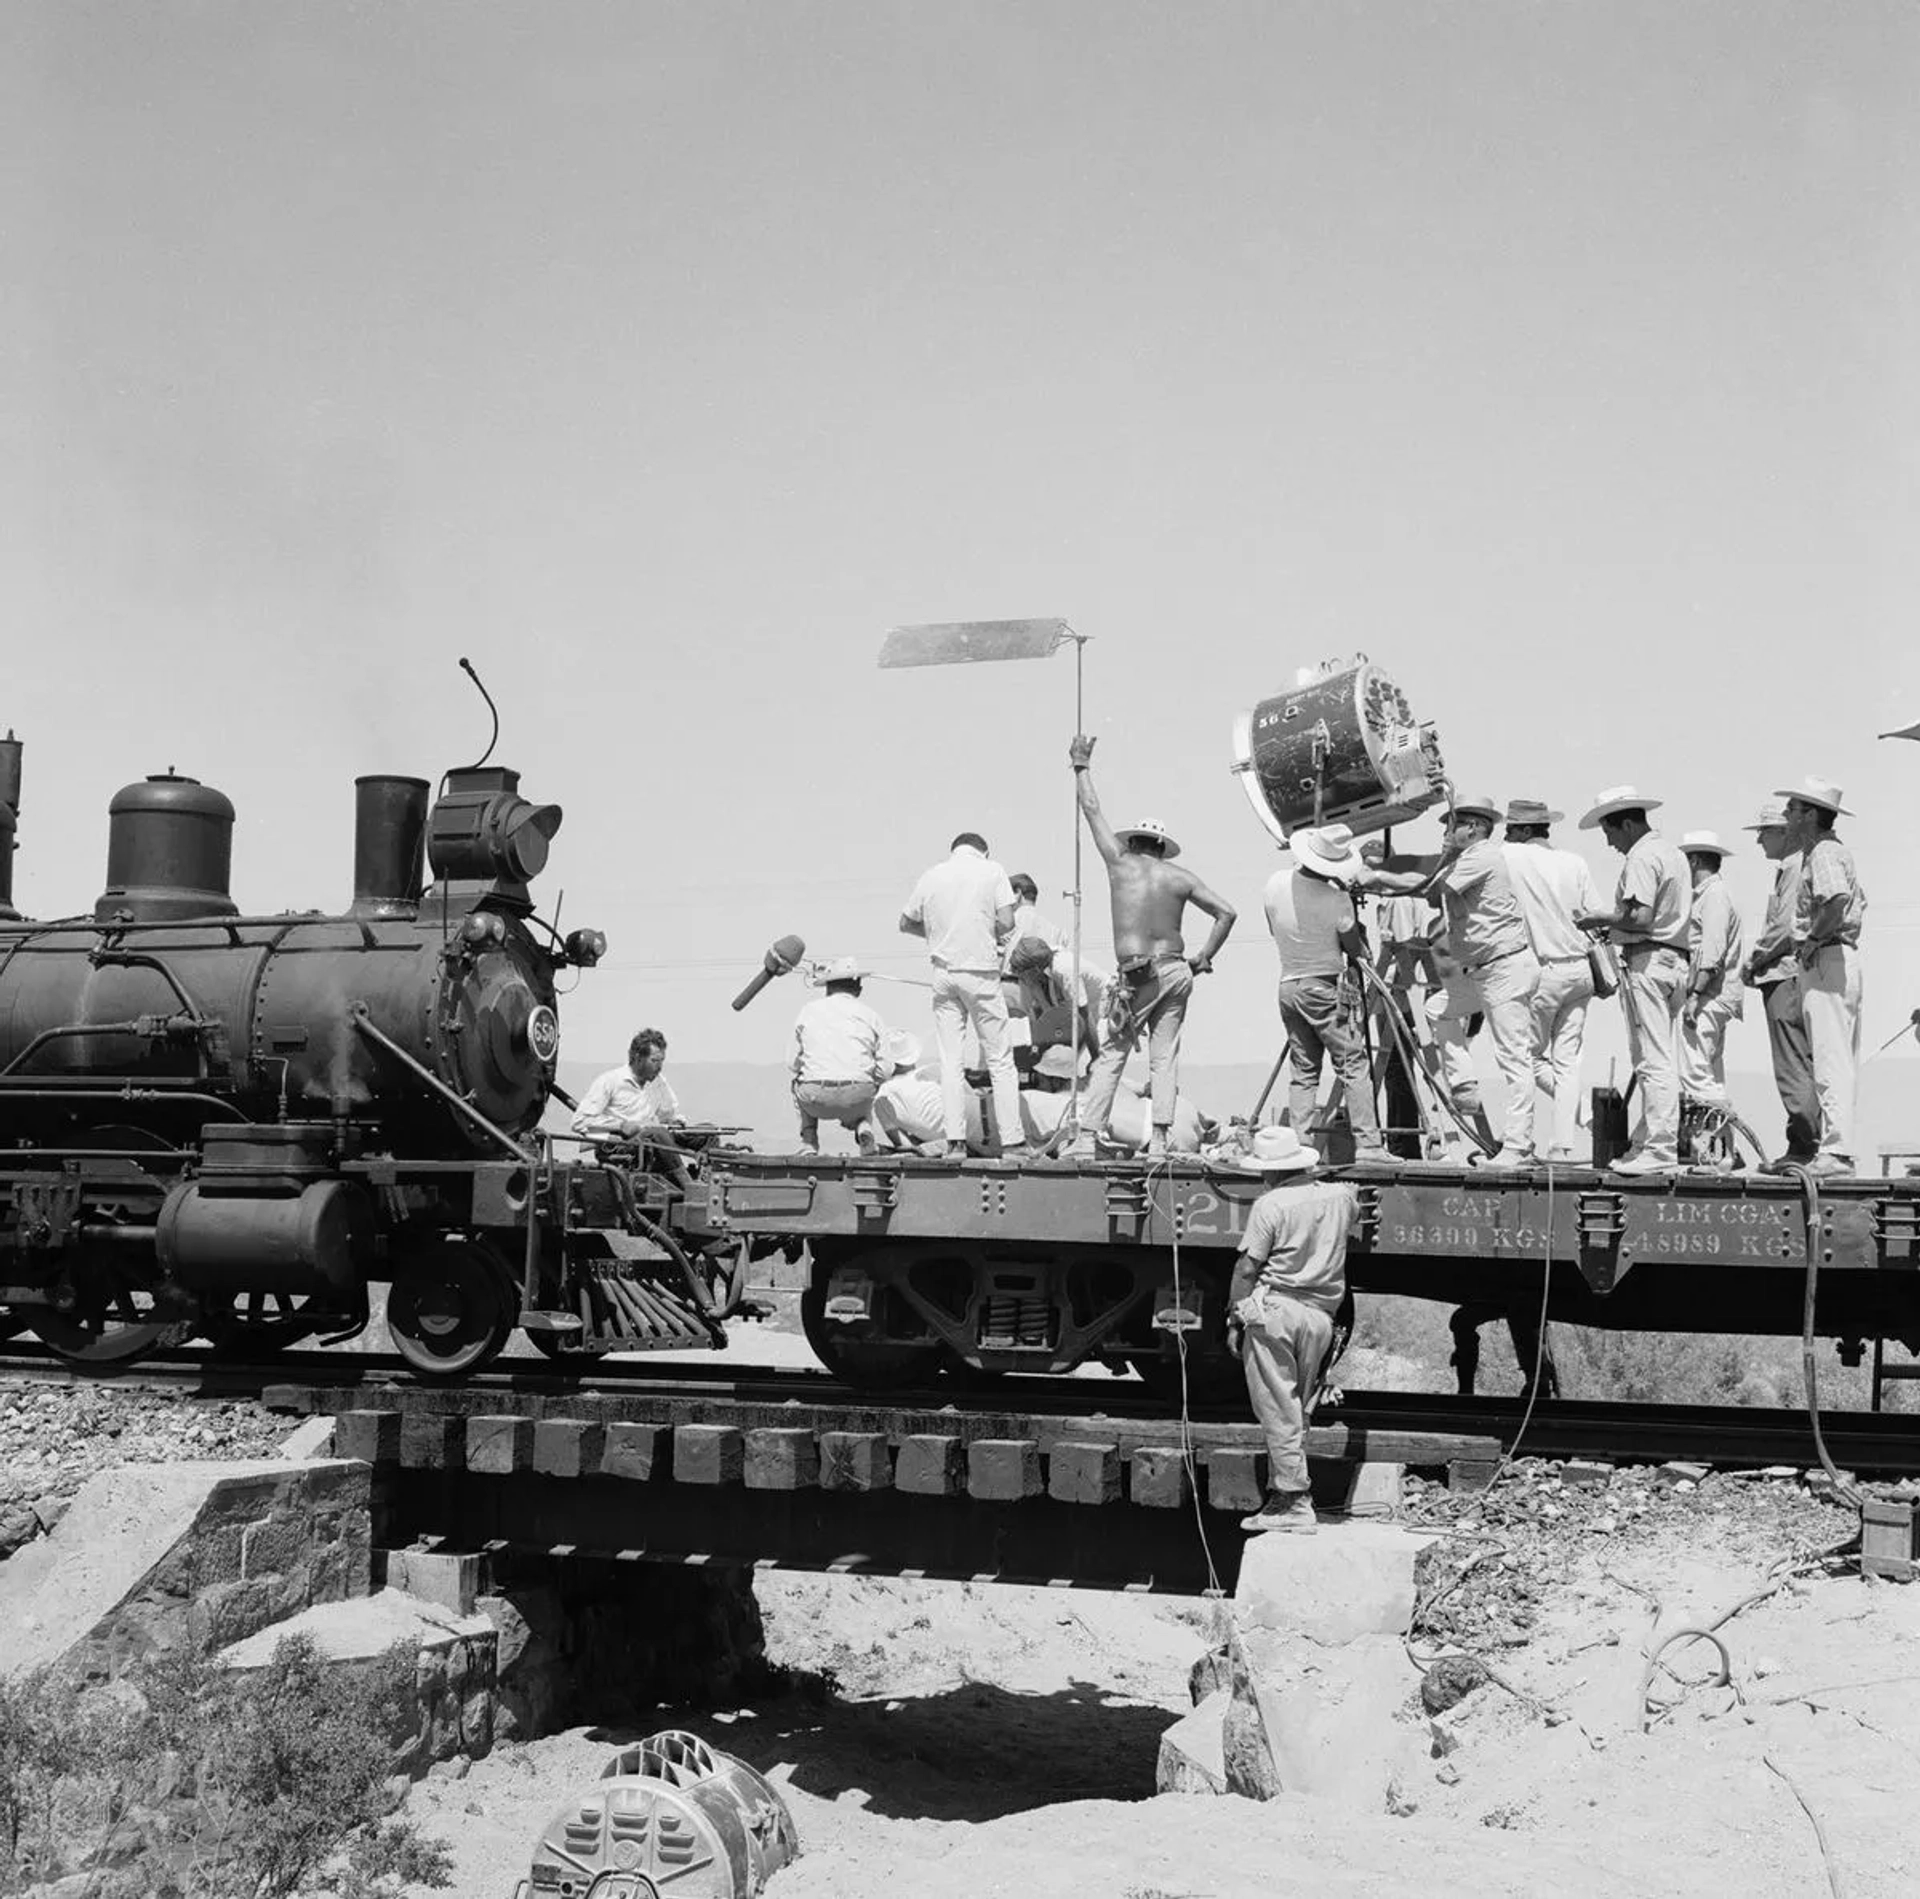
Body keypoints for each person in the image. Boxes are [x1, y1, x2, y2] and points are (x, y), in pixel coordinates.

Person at [1066, 735, 1237, 1159]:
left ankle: (1086, 1138)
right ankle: (1160, 1141)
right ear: (1161, 849)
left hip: (1139, 972)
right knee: (1165, 1058)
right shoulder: (1180, 876)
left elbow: (1091, 811)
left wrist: (1081, 766)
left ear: (1134, 843)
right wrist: (1203, 958)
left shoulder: (1119, 864)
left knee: (1112, 1054)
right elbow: (1227, 913)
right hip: (1177, 970)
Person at [1356, 794, 1540, 1166]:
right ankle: (1464, 1084)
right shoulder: (1467, 859)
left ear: (1472, 827)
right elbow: (1428, 885)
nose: (1446, 833)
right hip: (1488, 970)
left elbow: (1431, 890)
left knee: (1514, 1057)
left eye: (1451, 826)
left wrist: (1376, 877)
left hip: (1501, 967)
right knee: (1438, 1009)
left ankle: (1518, 1146)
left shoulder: (1481, 856)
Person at [1224, 1123, 1358, 1536]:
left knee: (1278, 1407)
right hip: (1321, 1317)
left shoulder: (1270, 1204)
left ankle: (1293, 1501)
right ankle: (1287, 1493)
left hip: (1277, 1312)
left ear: (1269, 1170)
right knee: (1299, 1408)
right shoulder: (1342, 1196)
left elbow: (1247, 1268)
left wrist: (1235, 1317)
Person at [1573, 787, 1693, 1175]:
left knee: (1651, 1058)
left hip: (1649, 960)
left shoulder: (1642, 857)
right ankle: (1648, 1140)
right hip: (1675, 961)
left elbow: (1639, 918)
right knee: (1660, 1054)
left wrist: (1601, 919)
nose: (1608, 842)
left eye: (1609, 831)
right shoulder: (1673, 853)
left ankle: (1659, 1149)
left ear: (1626, 823)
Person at [1261, 823, 1387, 1162]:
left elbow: (1272, 926)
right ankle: (1370, 1146)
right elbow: (1353, 947)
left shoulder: (1275, 883)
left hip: (1288, 984)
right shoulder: (1337, 899)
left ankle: (1299, 1147)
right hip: (1323, 986)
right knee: (1353, 1063)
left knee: (1303, 1071)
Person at [900, 831, 1026, 1160]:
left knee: (950, 1062)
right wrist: (988, 932)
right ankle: (1012, 1141)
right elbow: (1007, 920)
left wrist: (938, 932)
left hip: (943, 974)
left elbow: (905, 922)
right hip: (981, 972)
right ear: (984, 851)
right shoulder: (993, 870)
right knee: (1000, 1060)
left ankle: (955, 1142)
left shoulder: (931, 875)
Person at [1774, 776, 1867, 1179]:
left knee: (1830, 1059)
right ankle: (1836, 1147)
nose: (1786, 815)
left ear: (1810, 814)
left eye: (1792, 809)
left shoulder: (1824, 853)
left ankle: (1837, 1152)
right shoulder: (1830, 851)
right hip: (1834, 957)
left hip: (1826, 957)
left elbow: (1837, 900)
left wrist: (1813, 939)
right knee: (1835, 1057)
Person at [1501, 798, 1600, 1162]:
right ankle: (1564, 1142)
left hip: (1544, 970)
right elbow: (1593, 915)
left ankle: (1525, 1137)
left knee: (1524, 1055)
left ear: (1524, 830)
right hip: (1580, 969)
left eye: (1510, 828)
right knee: (1568, 1060)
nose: (1506, 834)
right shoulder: (1575, 862)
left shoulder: (1511, 857)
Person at [1739, 799, 1818, 1169]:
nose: (1759, 842)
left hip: (1782, 974)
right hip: (1792, 973)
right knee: (1801, 1060)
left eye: (1764, 833)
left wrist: (1756, 960)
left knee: (1792, 1064)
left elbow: (1784, 927)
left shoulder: (1792, 867)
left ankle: (1803, 1147)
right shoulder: (1796, 866)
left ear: (1782, 833)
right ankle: (1805, 1143)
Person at [789, 958, 892, 1154]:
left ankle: (809, 1142)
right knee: (871, 1084)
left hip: (815, 1098)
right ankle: (864, 1127)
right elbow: (886, 1070)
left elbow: (791, 1063)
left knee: (795, 1084)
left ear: (827, 988)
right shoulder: (872, 1016)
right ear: (858, 989)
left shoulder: (808, 1011)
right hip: (857, 1098)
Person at [1674, 832, 1745, 1117]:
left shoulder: (1714, 896)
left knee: (1695, 1072)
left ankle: (1719, 1138)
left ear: (1693, 861)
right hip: (1717, 995)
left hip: (1709, 995)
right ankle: (1722, 1149)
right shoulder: (1716, 894)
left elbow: (1712, 951)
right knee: (1710, 1070)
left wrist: (1695, 995)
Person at [572, 1028, 693, 1188]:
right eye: (655, 1061)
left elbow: (667, 1115)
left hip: (654, 1140)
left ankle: (715, 1179)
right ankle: (690, 1186)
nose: (660, 1067)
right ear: (638, 1058)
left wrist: (675, 1121)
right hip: (623, 1147)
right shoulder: (610, 1081)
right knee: (656, 1133)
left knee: (706, 1132)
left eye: (662, 1061)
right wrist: (620, 1125)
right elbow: (580, 1121)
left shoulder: (658, 1083)